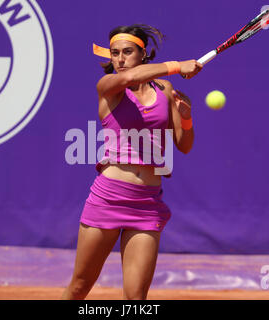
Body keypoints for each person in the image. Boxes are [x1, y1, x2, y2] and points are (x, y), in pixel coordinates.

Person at [61, 24, 203, 300]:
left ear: (143, 53)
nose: (120, 59)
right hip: (109, 197)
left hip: (148, 202)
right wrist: (177, 65)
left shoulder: (165, 89)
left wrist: (186, 117)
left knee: (136, 297)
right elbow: (131, 78)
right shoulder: (109, 86)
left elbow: (184, 145)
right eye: (115, 53)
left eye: (127, 52)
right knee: (80, 285)